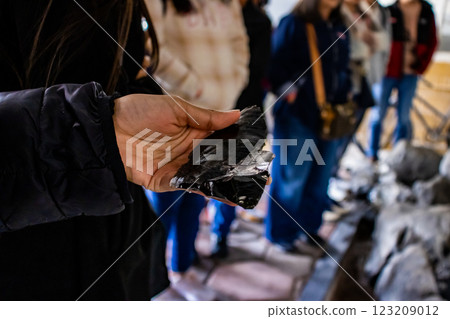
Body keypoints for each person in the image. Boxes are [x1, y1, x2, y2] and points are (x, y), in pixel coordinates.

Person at [0, 0, 240, 300]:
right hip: (28, 262)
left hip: (115, 234)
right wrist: (98, 131)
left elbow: (127, 71)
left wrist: (134, 107)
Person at [144, 0, 249, 279]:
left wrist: (236, 79)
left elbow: (239, 40)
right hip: (177, 113)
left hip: (221, 113)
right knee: (163, 203)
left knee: (197, 197)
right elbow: (151, 47)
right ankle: (152, 276)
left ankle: (182, 263)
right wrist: (196, 87)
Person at [266, 0, 351, 252]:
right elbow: (275, 67)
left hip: (330, 117)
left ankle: (309, 229)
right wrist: (293, 93)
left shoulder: (338, 24)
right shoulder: (294, 24)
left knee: (320, 178)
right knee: (292, 179)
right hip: (297, 116)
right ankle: (282, 234)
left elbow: (342, 66)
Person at [209, 0, 272, 259]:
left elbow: (257, 70)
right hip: (210, 108)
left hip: (241, 112)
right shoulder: (210, 15)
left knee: (232, 175)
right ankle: (211, 232)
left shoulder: (258, 22)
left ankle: (220, 231)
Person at [367, 0, 437, 161]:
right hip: (387, 71)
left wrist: (421, 66)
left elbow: (432, 41)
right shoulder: (389, 10)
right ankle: (372, 154)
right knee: (378, 113)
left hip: (411, 71)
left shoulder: (427, 11)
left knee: (404, 116)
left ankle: (399, 156)